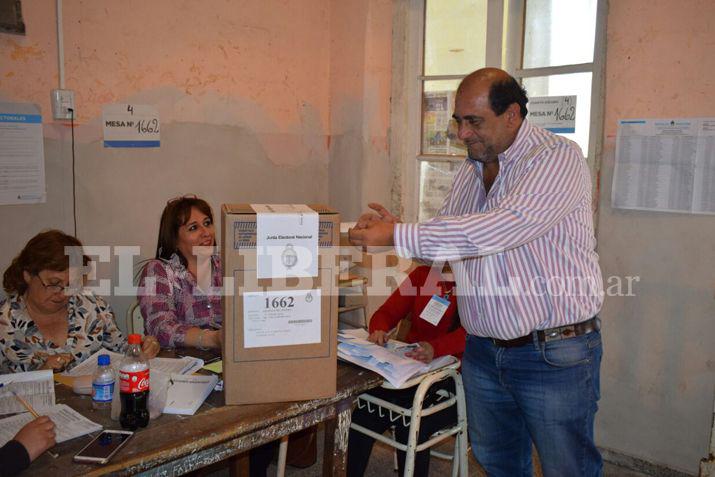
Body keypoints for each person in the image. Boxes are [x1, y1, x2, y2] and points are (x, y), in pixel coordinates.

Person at [349, 68, 604, 477]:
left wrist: (397, 235)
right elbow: (451, 238)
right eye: (458, 121)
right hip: (483, 351)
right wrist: (402, 227)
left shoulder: (557, 157)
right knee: (498, 464)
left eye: (474, 122)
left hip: (553, 352)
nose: (463, 134)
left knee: (567, 467)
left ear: (513, 115)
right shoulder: (473, 168)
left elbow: (502, 228)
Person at [347, 265, 466, 477]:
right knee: (363, 414)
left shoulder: (472, 279)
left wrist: (435, 348)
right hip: (412, 371)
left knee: (412, 425)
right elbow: (386, 312)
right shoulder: (422, 275)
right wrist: (379, 329)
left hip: (453, 378)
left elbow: (473, 334)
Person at [0, 230, 160, 374]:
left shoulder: (94, 308)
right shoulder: (5, 322)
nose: (63, 293)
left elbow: (121, 349)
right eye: (54, 283)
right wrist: (40, 374)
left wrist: (144, 346)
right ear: (28, 275)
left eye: (71, 285)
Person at [138, 195, 222, 349]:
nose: (206, 233)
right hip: (181, 365)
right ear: (174, 239)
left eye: (207, 223)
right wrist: (213, 339)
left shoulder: (228, 265)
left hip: (230, 361)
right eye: (193, 228)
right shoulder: (158, 271)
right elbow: (160, 328)